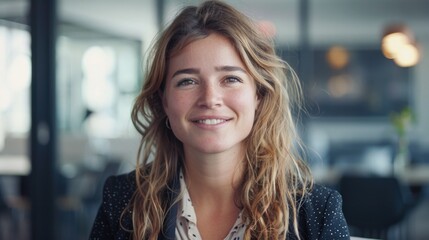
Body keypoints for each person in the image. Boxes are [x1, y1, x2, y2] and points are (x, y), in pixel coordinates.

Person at [89, 1, 350, 239]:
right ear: (164, 101)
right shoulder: (122, 200)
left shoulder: (317, 211)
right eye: (187, 81)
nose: (210, 98)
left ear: (259, 95)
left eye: (231, 79)